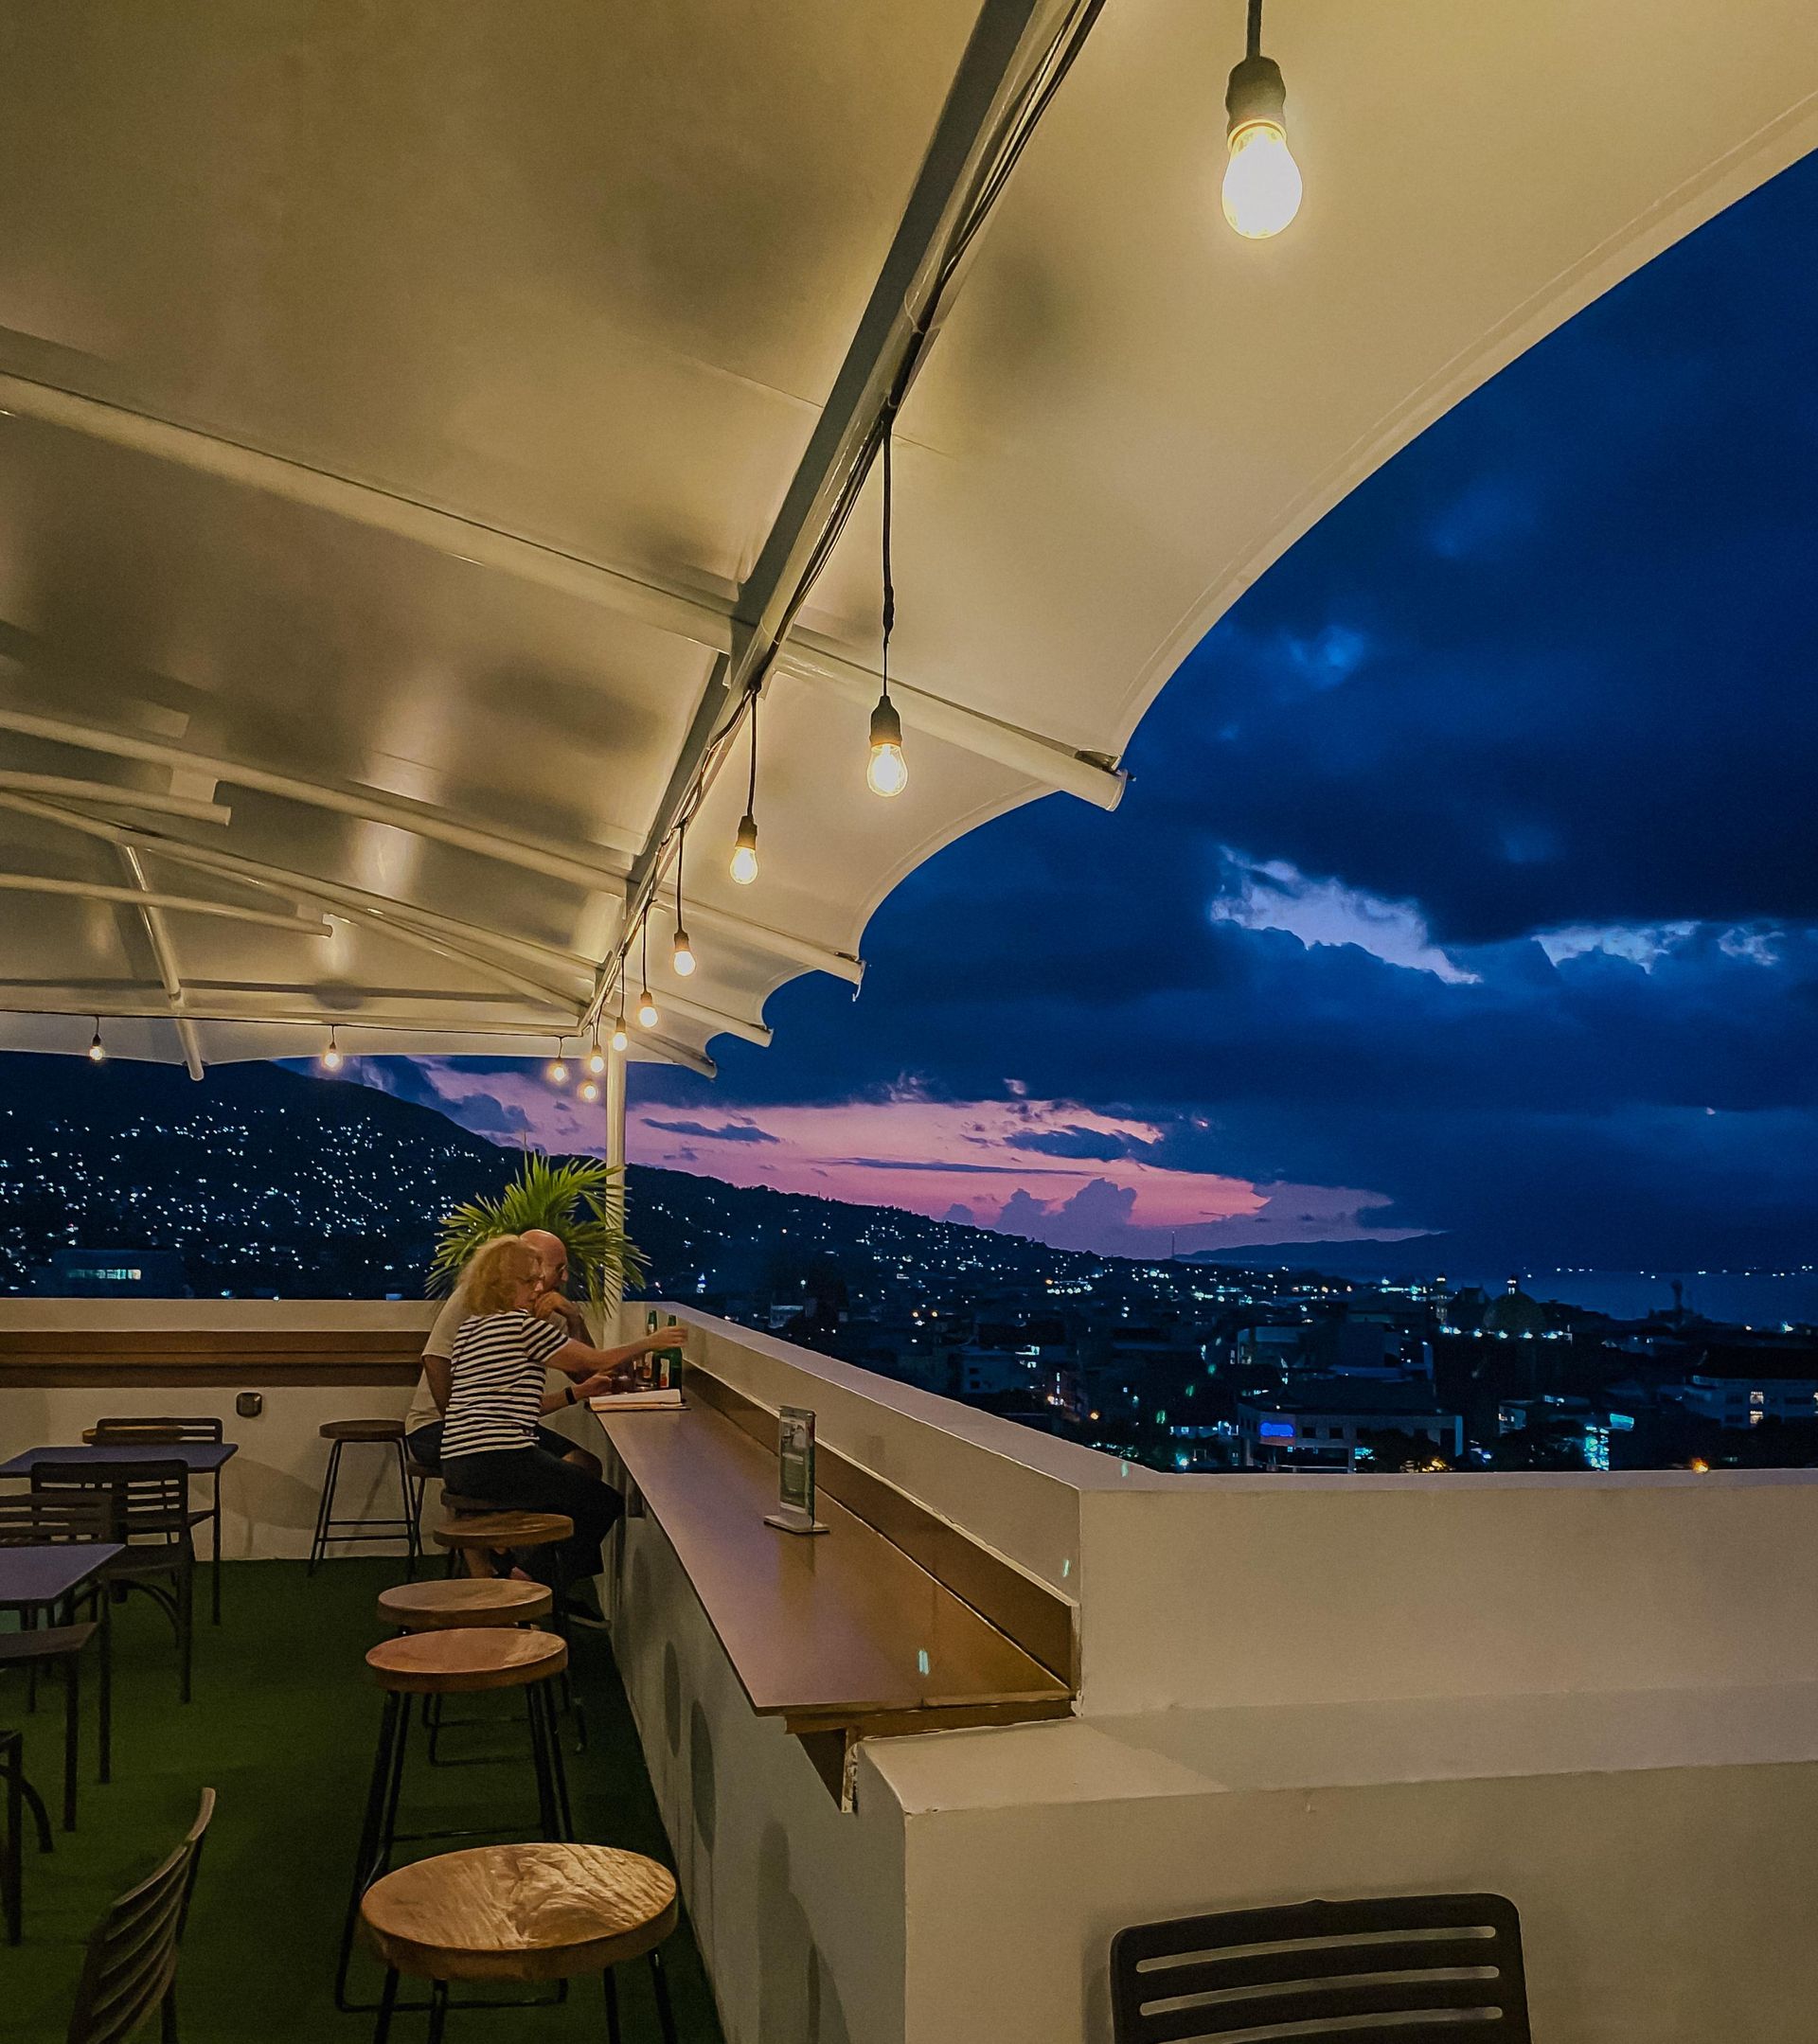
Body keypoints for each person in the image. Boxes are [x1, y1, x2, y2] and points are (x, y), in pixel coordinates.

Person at [437, 1234, 668, 1614]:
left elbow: (517, 1404)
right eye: (530, 1281)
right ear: (505, 1285)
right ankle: (539, 1591)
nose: (538, 1288)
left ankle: (521, 1575)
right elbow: (596, 1360)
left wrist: (580, 1394)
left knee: (567, 1496)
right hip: (501, 1459)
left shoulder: (471, 1330)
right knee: (602, 1502)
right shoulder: (523, 1327)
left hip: (460, 1465)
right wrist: (656, 1341)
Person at [404, 1228, 603, 1480]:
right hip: (434, 1427)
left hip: (504, 1428)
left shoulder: (550, 1308)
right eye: (559, 1268)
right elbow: (435, 1360)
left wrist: (575, 1318)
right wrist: (458, 1423)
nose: (564, 1277)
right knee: (565, 1476)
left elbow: (586, 1374)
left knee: (584, 1464)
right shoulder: (477, 1296)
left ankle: (529, 1516)